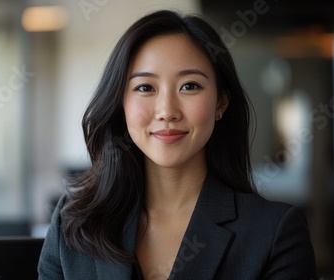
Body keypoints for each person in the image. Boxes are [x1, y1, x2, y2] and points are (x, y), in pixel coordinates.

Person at [38, 9, 318, 279]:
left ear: (221, 101)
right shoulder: (73, 224)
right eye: (145, 88)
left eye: (189, 86)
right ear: (120, 103)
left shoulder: (274, 233)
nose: (167, 111)